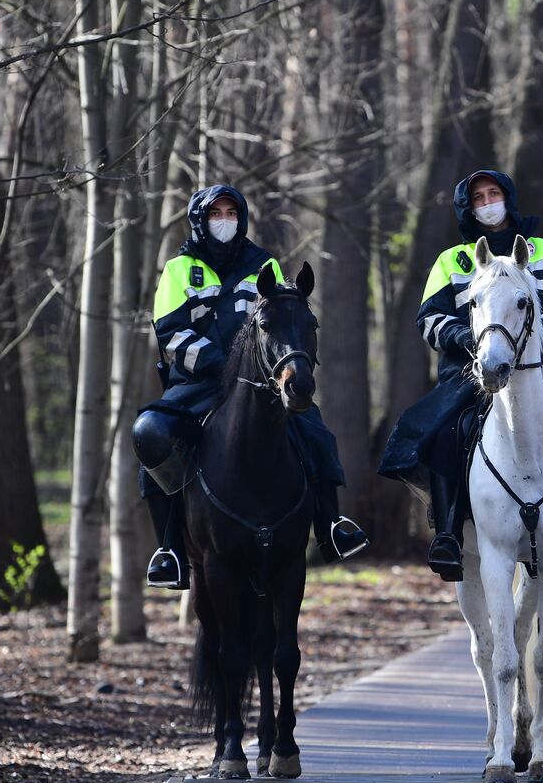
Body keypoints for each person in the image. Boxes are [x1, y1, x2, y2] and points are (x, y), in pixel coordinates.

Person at [378, 169, 543, 582]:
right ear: (468, 207)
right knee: (446, 430)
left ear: (508, 197)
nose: (487, 203)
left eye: (493, 194)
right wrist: (469, 338)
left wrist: (542, 336)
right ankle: (447, 535)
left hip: (542, 362)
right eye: (478, 198)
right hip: (472, 365)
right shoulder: (451, 261)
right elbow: (428, 319)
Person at [132, 184, 369, 589]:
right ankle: (170, 549)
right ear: (200, 220)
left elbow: (281, 321)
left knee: (316, 431)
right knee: (150, 433)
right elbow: (170, 333)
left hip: (261, 383)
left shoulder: (265, 265)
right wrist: (220, 364)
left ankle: (332, 524)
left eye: (231, 213)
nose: (224, 221)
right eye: (216, 214)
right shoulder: (177, 270)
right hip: (198, 383)